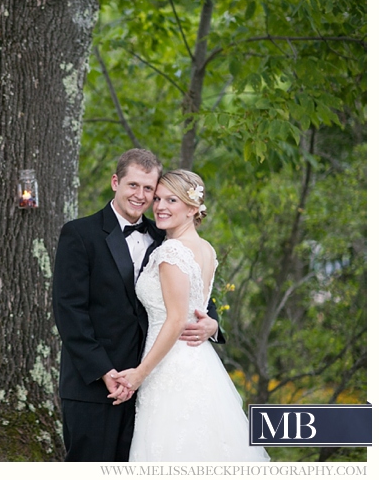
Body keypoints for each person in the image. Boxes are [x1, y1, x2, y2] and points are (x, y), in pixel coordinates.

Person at [52, 149, 223, 462]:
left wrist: (212, 323)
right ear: (116, 182)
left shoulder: (166, 235)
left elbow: (194, 289)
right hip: (95, 384)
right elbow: (69, 312)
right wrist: (105, 371)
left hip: (152, 379)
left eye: (149, 189)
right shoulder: (80, 234)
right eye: (133, 185)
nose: (141, 196)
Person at [113, 169, 269, 462]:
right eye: (157, 198)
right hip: (197, 360)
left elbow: (175, 320)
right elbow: (195, 306)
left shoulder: (172, 250)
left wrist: (139, 374)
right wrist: (210, 325)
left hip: (169, 365)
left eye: (172, 200)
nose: (160, 206)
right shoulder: (205, 249)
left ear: (192, 208)